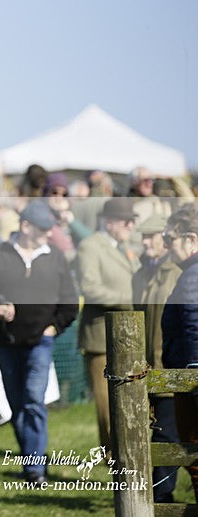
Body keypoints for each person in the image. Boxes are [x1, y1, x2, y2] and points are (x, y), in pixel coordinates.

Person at [0, 200, 78, 485]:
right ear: (26, 226)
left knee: (32, 400)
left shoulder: (54, 257)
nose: (48, 234)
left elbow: (69, 302)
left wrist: (54, 328)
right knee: (17, 404)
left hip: (41, 343)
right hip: (6, 342)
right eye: (43, 229)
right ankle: (31, 460)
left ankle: (35, 469)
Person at [76, 198, 140, 450]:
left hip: (129, 335)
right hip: (101, 338)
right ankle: (113, 455)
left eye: (132, 221)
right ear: (110, 222)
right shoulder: (90, 247)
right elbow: (90, 289)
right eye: (127, 222)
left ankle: (129, 450)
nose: (131, 226)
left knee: (128, 400)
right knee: (107, 404)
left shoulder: (126, 247)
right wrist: (130, 302)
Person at [131, 213, 182, 502]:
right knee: (148, 435)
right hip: (143, 368)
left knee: (167, 437)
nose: (146, 242)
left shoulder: (178, 272)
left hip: (169, 368)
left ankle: (161, 498)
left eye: (151, 236)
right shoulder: (142, 272)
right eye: (143, 237)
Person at [161, 204, 198, 503]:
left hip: (192, 386)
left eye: (169, 239)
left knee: (195, 460)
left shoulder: (192, 277)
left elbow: (194, 330)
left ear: (191, 239)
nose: (166, 246)